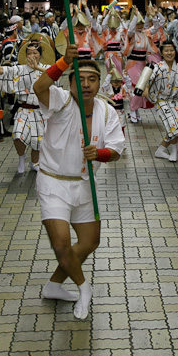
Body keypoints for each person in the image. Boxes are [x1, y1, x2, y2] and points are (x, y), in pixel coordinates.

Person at [33, 44, 125, 320]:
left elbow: (117, 149)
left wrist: (101, 154)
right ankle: (84, 288)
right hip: (53, 182)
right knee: (61, 244)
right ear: (70, 83)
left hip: (86, 184)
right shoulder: (60, 100)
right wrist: (63, 62)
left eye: (92, 79)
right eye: (80, 79)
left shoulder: (107, 111)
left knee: (89, 242)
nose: (86, 85)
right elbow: (40, 87)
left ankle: (53, 286)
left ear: (100, 82)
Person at [0, 40, 52, 173]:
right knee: (18, 135)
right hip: (23, 109)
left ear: (40, 54)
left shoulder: (46, 68)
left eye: (35, 53)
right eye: (29, 53)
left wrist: (37, 67)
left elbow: (54, 75)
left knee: (37, 141)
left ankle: (34, 163)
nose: (32, 55)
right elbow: (4, 70)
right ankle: (22, 157)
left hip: (40, 110)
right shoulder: (20, 69)